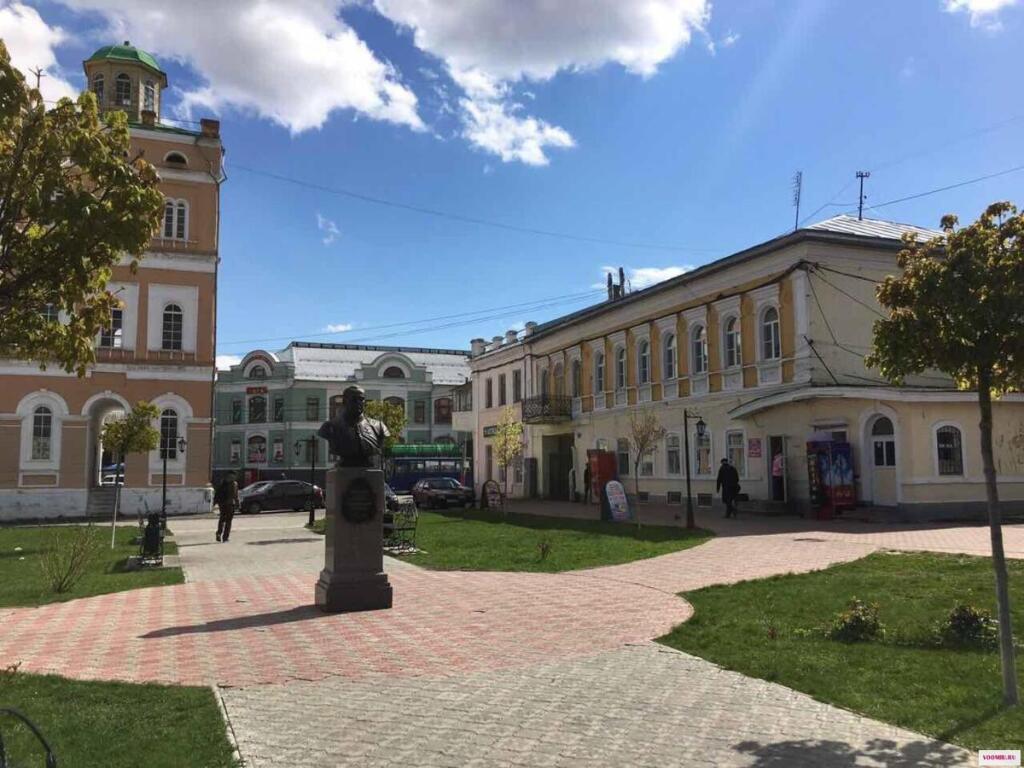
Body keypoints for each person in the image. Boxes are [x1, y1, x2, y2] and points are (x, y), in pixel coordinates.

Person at [215, 471, 239, 542]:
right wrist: (237, 503)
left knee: (223, 519)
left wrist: (216, 502)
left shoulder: (223, 482)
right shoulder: (234, 484)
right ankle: (225, 537)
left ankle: (219, 533)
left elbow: (217, 493)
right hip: (228, 504)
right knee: (228, 521)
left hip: (223, 504)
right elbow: (235, 495)